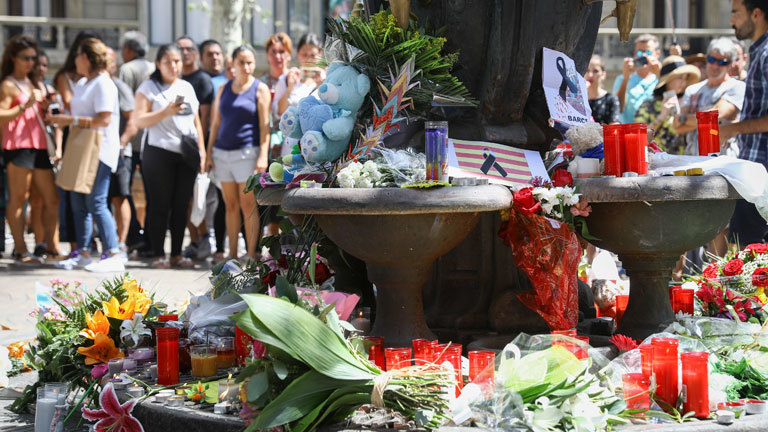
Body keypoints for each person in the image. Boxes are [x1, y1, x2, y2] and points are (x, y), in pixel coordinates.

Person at [49, 37, 124, 273]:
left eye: (77, 57)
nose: (74, 62)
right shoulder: (84, 83)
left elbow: (104, 119)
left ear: (84, 58)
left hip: (100, 148)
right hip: (82, 147)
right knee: (78, 201)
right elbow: (77, 112)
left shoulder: (104, 83)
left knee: (97, 201)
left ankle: (113, 253)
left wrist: (69, 119)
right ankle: (82, 253)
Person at [132, 44, 206, 268]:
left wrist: (201, 151)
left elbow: (196, 121)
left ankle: (176, 254)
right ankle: (158, 254)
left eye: (177, 61)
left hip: (186, 154)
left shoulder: (187, 86)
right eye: (168, 62)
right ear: (158, 64)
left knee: (181, 204)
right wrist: (166, 111)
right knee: (159, 204)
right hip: (159, 152)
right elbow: (138, 120)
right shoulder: (149, 87)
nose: (174, 66)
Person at [207, 45, 270, 260]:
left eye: (250, 62)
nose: (246, 66)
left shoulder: (259, 89)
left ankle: (252, 254)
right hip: (222, 154)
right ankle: (232, 255)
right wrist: (208, 154)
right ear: (232, 63)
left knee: (248, 205)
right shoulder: (223, 89)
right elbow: (215, 125)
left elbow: (265, 127)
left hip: (248, 153)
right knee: (230, 205)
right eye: (241, 62)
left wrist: (263, 155)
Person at [0, 34, 58, 265]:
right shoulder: (8, 84)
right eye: (25, 58)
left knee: (50, 199)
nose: (30, 63)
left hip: (40, 145)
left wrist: (45, 107)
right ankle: (22, 250)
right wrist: (24, 106)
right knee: (18, 199)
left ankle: (50, 247)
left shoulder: (35, 83)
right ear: (13, 57)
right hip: (18, 145)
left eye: (33, 58)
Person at [720, 0, 768, 246]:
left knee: (746, 255)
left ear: (756, 14)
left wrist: (732, 129)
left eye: (735, 13)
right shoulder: (759, 51)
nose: (731, 21)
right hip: (754, 171)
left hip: (761, 174)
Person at [54, 31, 97, 256]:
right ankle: (77, 246)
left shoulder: (98, 80)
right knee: (74, 195)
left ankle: (89, 244)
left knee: (93, 197)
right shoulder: (66, 77)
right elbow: (71, 108)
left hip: (93, 139)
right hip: (75, 138)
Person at [177, 35, 214, 260]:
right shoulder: (174, 78)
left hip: (197, 148)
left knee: (198, 198)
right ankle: (193, 241)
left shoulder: (202, 80)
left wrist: (203, 151)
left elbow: (205, 119)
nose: (185, 53)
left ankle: (204, 239)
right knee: (183, 200)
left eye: (189, 48)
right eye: (180, 49)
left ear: (196, 53)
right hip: (175, 147)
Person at [675, 38, 745, 157]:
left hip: (723, 159)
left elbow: (715, 115)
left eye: (722, 62)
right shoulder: (692, 89)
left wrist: (684, 118)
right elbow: (677, 126)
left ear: (731, 64)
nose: (715, 66)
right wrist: (707, 120)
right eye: (712, 60)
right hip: (693, 158)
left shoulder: (737, 87)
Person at [106, 46, 138, 261]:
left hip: (119, 153)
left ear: (114, 64)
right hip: (98, 153)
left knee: (120, 197)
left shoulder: (120, 87)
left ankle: (122, 243)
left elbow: (133, 120)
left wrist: (121, 145)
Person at [261, 32, 293, 237]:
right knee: (270, 207)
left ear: (289, 54)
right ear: (267, 55)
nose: (278, 56)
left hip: (291, 149)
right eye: (273, 52)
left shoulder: (296, 78)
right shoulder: (262, 83)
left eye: (282, 52)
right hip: (269, 149)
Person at [634, 56, 700, 155]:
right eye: (680, 77)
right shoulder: (648, 105)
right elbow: (638, 138)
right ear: (668, 80)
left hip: (683, 164)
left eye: (685, 78)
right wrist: (662, 116)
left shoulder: (688, 103)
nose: (683, 82)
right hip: (655, 162)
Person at [273, 33, 326, 156]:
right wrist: (290, 88)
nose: (308, 59)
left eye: (313, 55)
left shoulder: (328, 79)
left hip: (318, 145)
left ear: (320, 54)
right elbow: (279, 113)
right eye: (304, 54)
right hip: (291, 147)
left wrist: (321, 86)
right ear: (297, 54)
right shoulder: (286, 79)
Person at [613, 33, 662, 124]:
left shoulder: (662, 78)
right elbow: (617, 109)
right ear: (634, 54)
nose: (643, 56)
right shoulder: (621, 79)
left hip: (656, 134)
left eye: (648, 52)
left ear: (657, 54)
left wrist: (660, 75)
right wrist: (626, 78)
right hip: (631, 133)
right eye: (639, 52)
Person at [585, 54, 620, 125]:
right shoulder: (579, 99)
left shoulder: (610, 99)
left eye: (595, 71)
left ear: (603, 75)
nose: (590, 75)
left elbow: (614, 125)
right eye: (587, 70)